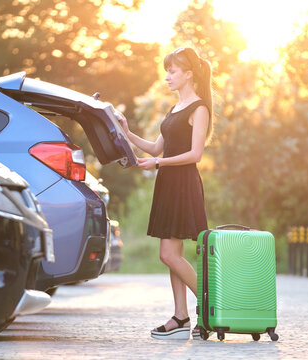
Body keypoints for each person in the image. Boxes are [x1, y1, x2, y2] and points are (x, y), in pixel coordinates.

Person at [118, 47, 213, 340]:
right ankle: (181, 316)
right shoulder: (174, 109)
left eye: (172, 71)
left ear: (189, 74)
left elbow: (195, 154)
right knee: (175, 255)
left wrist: (159, 163)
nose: (167, 76)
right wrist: (127, 133)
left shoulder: (199, 109)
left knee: (169, 255)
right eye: (167, 71)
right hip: (169, 183)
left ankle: (213, 306)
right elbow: (158, 148)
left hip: (183, 184)